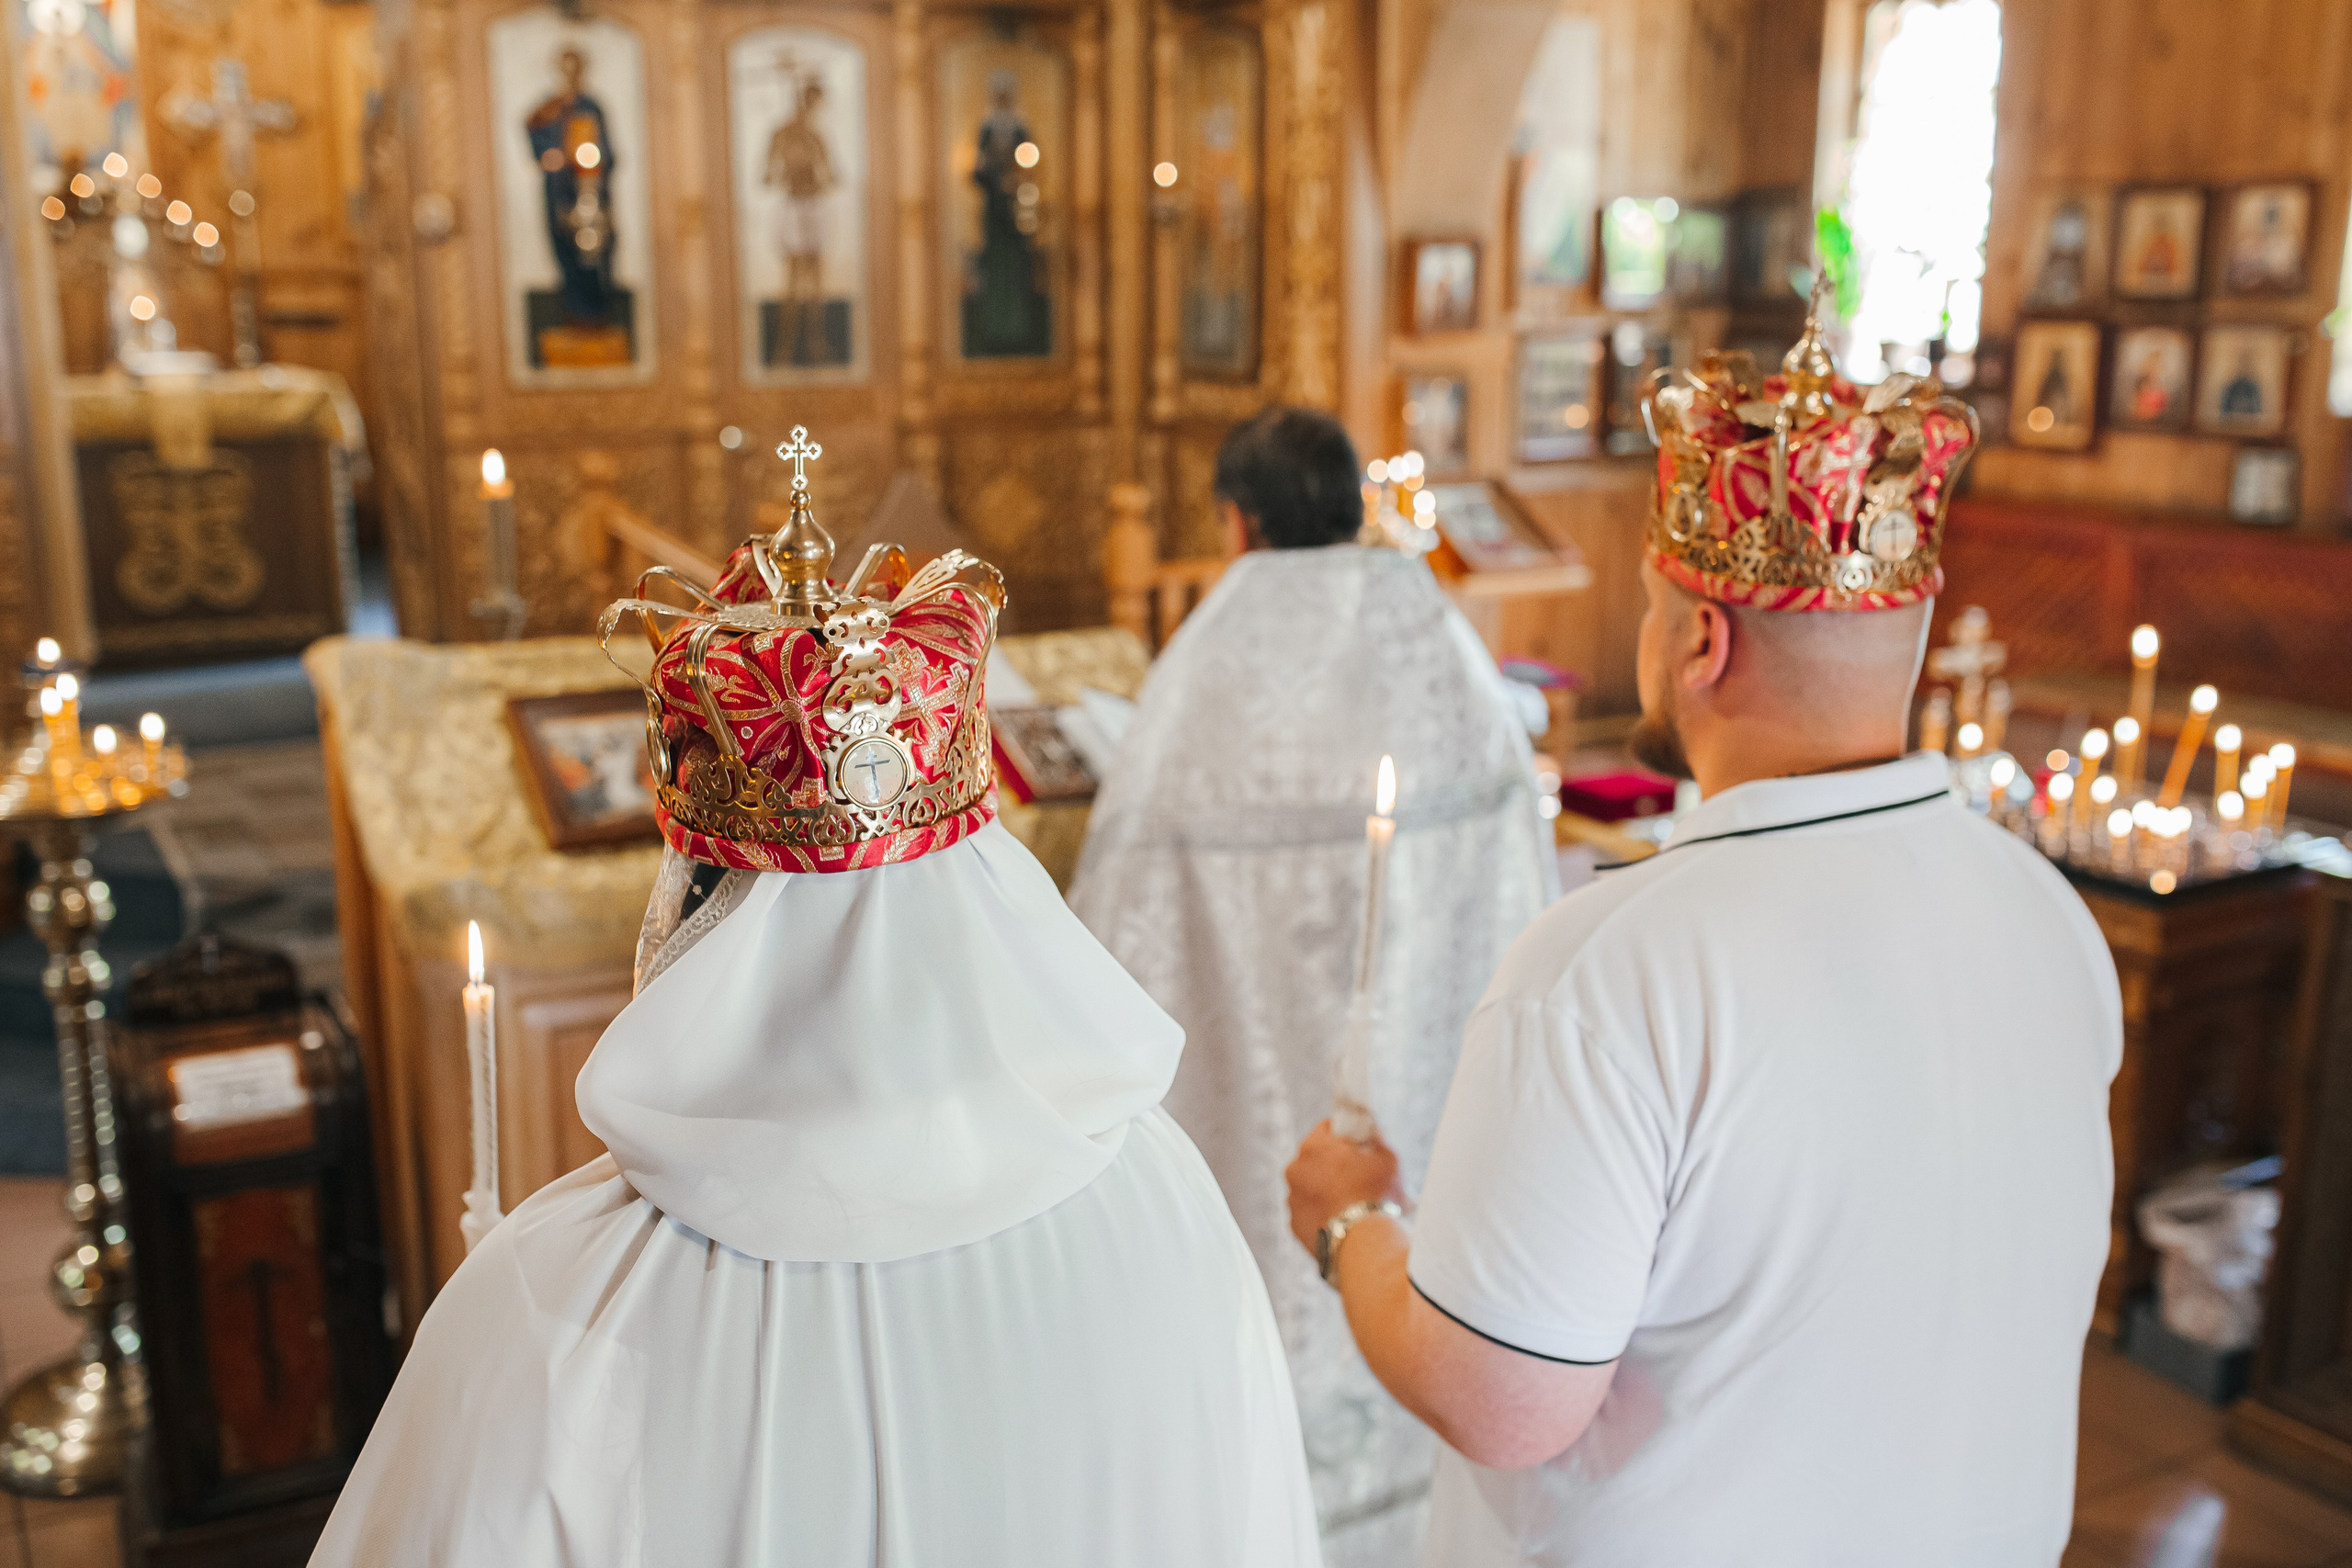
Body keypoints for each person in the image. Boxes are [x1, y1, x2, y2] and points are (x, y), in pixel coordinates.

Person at [310, 454, 1320, 1567]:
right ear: (984, 879)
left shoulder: (565, 1300)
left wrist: (491, 1347)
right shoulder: (1167, 1191)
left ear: (692, 911)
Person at [1286, 321, 2120, 1567]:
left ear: (1700, 641)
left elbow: (1501, 1397)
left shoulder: (1604, 968)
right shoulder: (2050, 913)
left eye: (1651, 605)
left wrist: (1352, 1225)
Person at [1070, 406, 1558, 1566]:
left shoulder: (1210, 664)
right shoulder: (1437, 647)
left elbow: (1121, 915)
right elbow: (1515, 877)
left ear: (1237, 520)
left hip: (1251, 1097)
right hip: (1429, 1081)